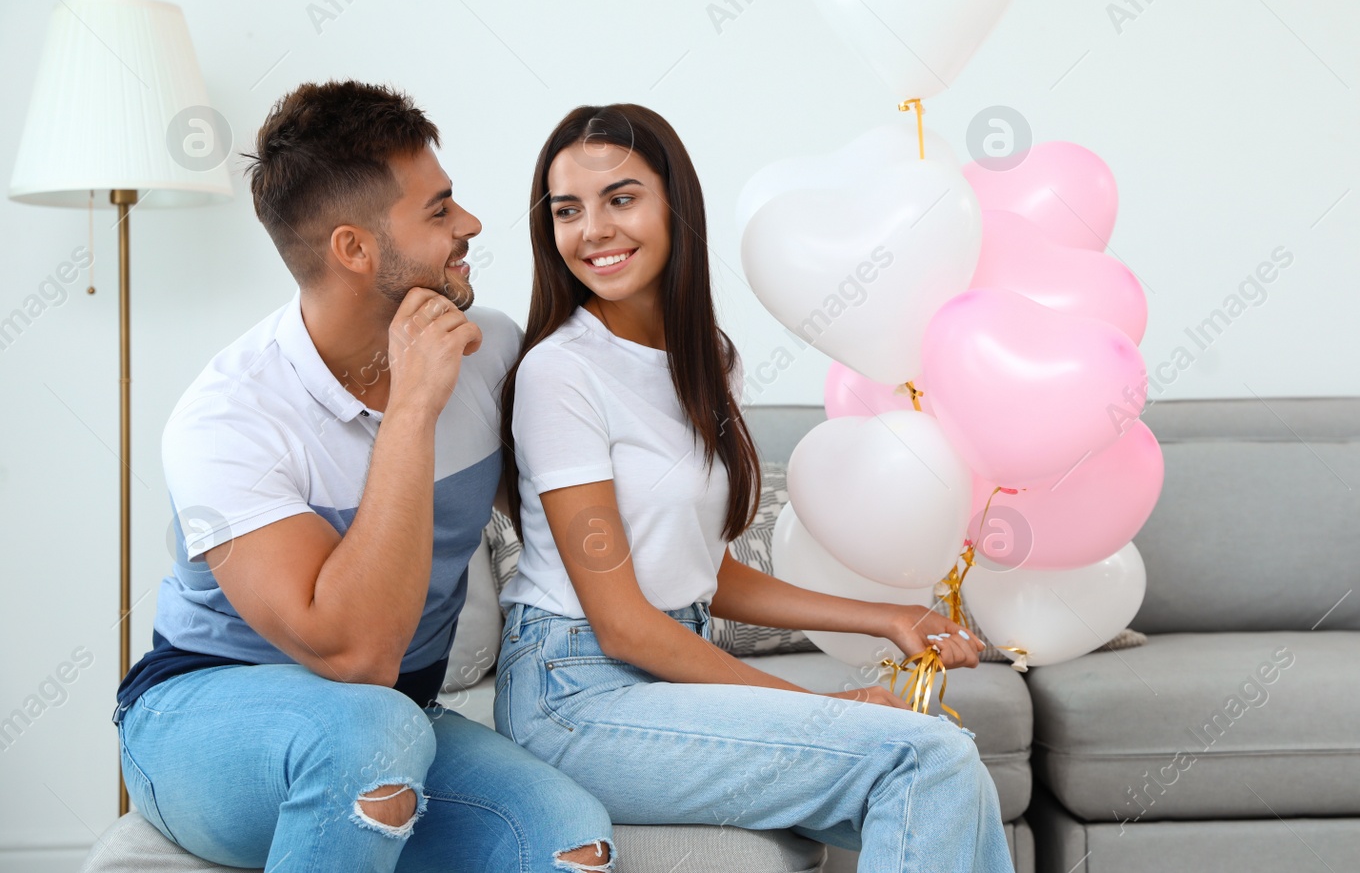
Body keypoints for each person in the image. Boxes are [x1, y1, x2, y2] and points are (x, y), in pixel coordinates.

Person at [493, 103, 1015, 872]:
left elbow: (700, 571)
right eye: (568, 210)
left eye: (621, 197)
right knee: (922, 756)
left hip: (664, 675)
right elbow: (626, 623)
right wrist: (819, 705)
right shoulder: (560, 372)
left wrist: (889, 616)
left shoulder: (707, 359)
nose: (593, 229)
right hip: (574, 697)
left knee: (946, 760)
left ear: (676, 205)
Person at [114, 81, 613, 872]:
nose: (471, 225)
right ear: (355, 248)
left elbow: (590, 529)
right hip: (204, 715)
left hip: (396, 719)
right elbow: (357, 656)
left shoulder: (488, 353)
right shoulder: (226, 420)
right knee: (370, 734)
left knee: (569, 840)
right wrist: (412, 407)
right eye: (440, 210)